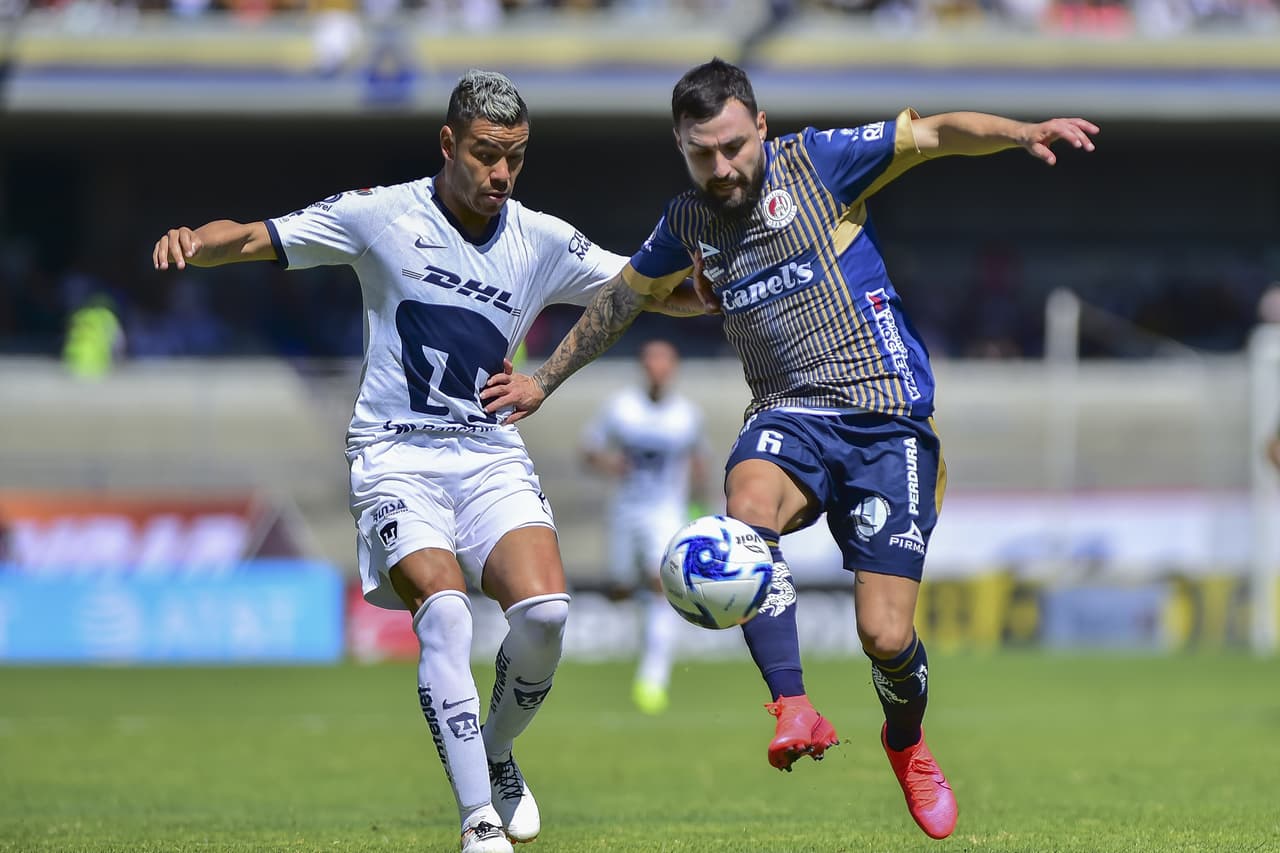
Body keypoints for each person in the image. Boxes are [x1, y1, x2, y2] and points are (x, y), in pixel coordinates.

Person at [480, 57, 1097, 840]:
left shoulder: (818, 162)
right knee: (745, 505)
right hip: (788, 414)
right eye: (703, 153)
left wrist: (1019, 132)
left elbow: (935, 133)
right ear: (682, 148)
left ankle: (904, 741)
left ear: (760, 125)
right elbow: (624, 298)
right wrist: (544, 380)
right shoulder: (687, 223)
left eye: (734, 145)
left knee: (886, 635)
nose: (723, 166)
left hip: (888, 417)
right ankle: (792, 704)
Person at [151, 70, 698, 853]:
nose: (500, 173)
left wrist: (710, 292)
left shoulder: (539, 238)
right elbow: (257, 236)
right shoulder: (380, 214)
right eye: (485, 154)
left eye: (514, 156)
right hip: (394, 454)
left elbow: (637, 287)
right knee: (444, 613)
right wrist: (196, 243)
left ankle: (497, 753)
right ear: (448, 144)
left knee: (545, 617)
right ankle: (479, 822)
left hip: (488, 454)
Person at [579, 338, 711, 714]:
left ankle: (653, 679)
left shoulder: (686, 414)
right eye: (652, 361)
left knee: (659, 584)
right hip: (626, 509)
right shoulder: (621, 408)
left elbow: (699, 461)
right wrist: (611, 465)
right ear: (643, 367)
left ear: (673, 368)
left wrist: (700, 507)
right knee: (622, 586)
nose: (658, 368)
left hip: (665, 511)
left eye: (665, 361)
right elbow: (589, 449)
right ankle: (636, 650)